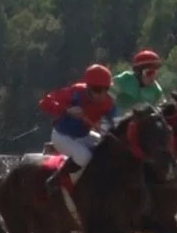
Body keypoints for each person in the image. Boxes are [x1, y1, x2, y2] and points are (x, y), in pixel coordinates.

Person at [38, 64, 118, 195]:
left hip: (84, 135)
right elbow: (45, 102)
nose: (102, 94)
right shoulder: (75, 93)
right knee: (84, 157)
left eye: (106, 89)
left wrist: (110, 127)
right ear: (89, 88)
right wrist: (66, 110)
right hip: (62, 136)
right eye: (97, 90)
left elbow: (116, 121)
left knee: (106, 149)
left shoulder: (108, 102)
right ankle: (56, 181)